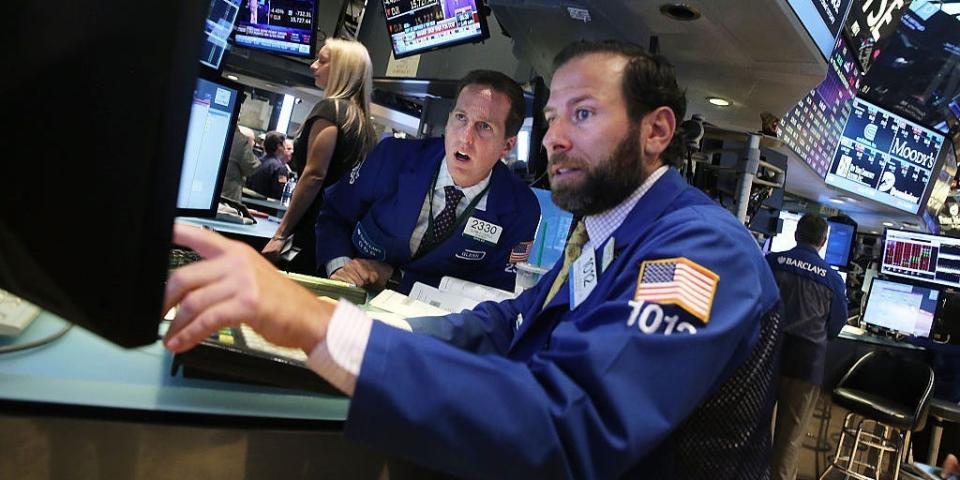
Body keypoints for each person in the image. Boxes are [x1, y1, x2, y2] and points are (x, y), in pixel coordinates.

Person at [163, 40, 782, 478]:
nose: (556, 138)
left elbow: (574, 431)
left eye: (584, 114)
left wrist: (324, 330)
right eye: (554, 117)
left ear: (657, 131)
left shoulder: (700, 250)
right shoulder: (610, 231)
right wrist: (346, 330)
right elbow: (508, 322)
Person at [315, 69, 540, 294]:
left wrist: (398, 280)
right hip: (351, 295)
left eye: (484, 127)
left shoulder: (521, 209)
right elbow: (334, 214)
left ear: (507, 146)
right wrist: (340, 270)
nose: (465, 138)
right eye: (461, 118)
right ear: (449, 119)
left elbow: (495, 290)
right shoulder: (392, 157)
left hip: (433, 321)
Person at [261, 38, 377, 274]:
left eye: (322, 61)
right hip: (340, 239)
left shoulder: (330, 110)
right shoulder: (365, 125)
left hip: (312, 231)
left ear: (342, 71)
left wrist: (280, 233)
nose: (313, 66)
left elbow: (314, 174)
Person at [766, 214, 847, 480]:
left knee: (753, 429)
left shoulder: (772, 262)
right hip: (806, 365)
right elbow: (835, 328)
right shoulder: (833, 280)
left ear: (796, 234)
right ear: (823, 241)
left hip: (766, 358)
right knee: (789, 440)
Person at [220, 125, 260, 203]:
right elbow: (253, 167)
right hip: (228, 199)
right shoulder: (239, 140)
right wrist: (248, 149)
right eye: (253, 140)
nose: (254, 144)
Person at [246, 131, 290, 199]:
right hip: (266, 206)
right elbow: (279, 193)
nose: (285, 147)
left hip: (249, 201)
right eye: (284, 144)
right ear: (279, 146)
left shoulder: (256, 161)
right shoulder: (280, 168)